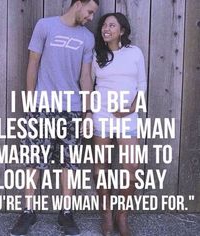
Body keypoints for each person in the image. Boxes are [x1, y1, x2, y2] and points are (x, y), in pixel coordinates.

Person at [10, 1, 99, 235]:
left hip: (72, 109)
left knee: (69, 163)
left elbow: (86, 76)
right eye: (89, 11)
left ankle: (66, 213)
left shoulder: (87, 38)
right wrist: (30, 102)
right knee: (33, 160)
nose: (90, 17)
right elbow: (33, 64)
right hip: (42, 106)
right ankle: (28, 212)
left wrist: (87, 111)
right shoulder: (45, 26)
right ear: (78, 4)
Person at [92, 13, 147, 236]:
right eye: (104, 25)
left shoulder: (134, 53)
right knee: (101, 167)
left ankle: (121, 214)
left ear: (122, 30)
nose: (106, 28)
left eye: (112, 25)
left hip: (128, 117)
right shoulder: (96, 54)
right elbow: (87, 84)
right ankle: (106, 213)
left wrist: (131, 109)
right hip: (102, 115)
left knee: (132, 167)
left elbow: (141, 84)